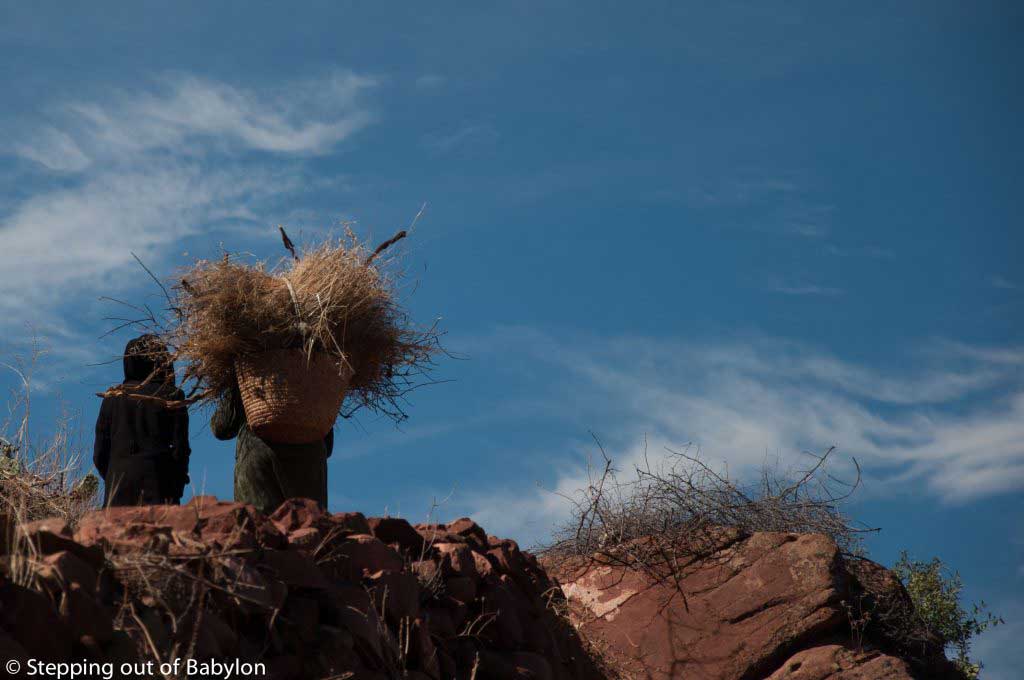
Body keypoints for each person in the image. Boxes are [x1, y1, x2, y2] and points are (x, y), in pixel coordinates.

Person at [93, 335, 191, 506]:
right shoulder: (173, 396)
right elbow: (180, 450)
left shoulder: (112, 398)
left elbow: (100, 454)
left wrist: (115, 477)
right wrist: (176, 486)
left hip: (117, 493)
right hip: (161, 490)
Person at [211, 381, 333, 515]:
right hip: (310, 454)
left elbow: (222, 427)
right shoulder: (317, 369)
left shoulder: (248, 368)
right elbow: (328, 444)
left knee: (260, 528)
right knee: (311, 526)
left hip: (257, 451)